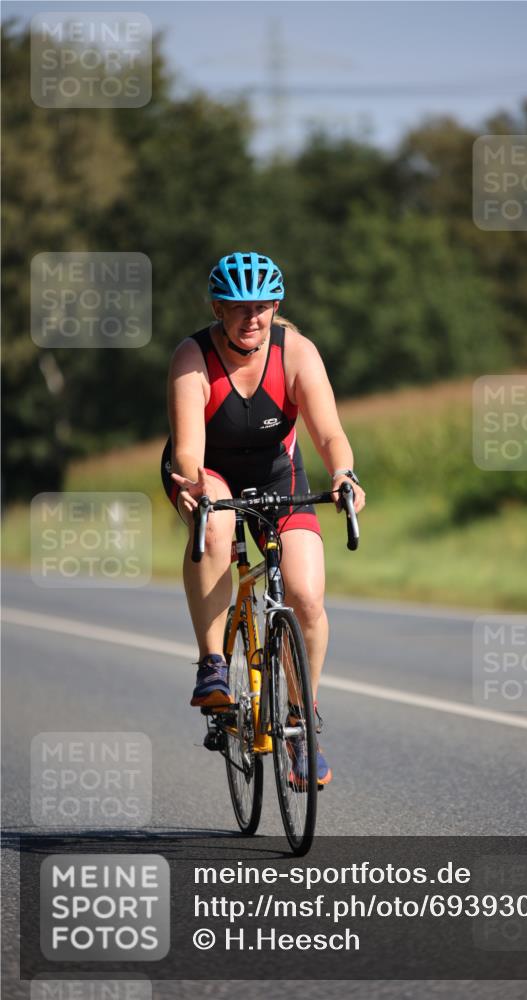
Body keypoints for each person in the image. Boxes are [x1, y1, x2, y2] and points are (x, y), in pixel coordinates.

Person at [160, 251, 365, 787]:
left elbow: (329, 433)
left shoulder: (296, 352)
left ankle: (301, 721)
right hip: (206, 470)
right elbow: (188, 448)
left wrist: (343, 473)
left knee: (306, 596)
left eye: (261, 306)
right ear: (218, 309)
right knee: (216, 526)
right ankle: (212, 664)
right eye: (238, 307)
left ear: (275, 306)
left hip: (278, 474)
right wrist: (195, 484)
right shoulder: (192, 357)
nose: (251, 317)